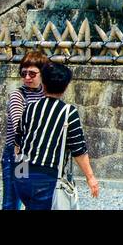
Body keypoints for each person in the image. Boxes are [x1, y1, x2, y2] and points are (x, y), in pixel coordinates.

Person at [14, 61, 100, 210]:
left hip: (22, 173)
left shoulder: (30, 108)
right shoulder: (68, 112)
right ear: (66, 86)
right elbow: (78, 149)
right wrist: (90, 177)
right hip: (47, 177)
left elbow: (18, 143)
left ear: (44, 83)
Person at [0, 50, 47, 210]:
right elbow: (19, 125)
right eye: (24, 73)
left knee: (35, 202)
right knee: (12, 201)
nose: (27, 77)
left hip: (39, 155)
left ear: (43, 74)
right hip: (20, 155)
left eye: (32, 74)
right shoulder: (17, 96)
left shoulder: (47, 96)